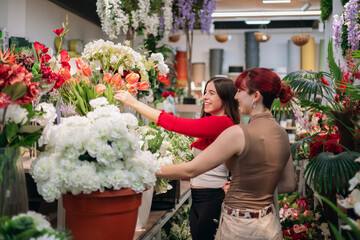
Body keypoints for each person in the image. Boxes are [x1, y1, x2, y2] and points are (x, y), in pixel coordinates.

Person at [156, 68, 295, 240]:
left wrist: (147, 170)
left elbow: (190, 170)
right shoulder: (282, 134)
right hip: (268, 224)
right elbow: (289, 185)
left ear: (256, 96)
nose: (236, 97)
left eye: (240, 91)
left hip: (239, 225)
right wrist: (254, 188)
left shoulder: (238, 133)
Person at [114, 76, 240, 240]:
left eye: (211, 93)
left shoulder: (223, 123)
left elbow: (175, 124)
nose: (205, 97)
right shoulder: (214, 122)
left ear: (226, 97)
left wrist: (134, 103)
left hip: (212, 199)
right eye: (205, 92)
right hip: (201, 198)